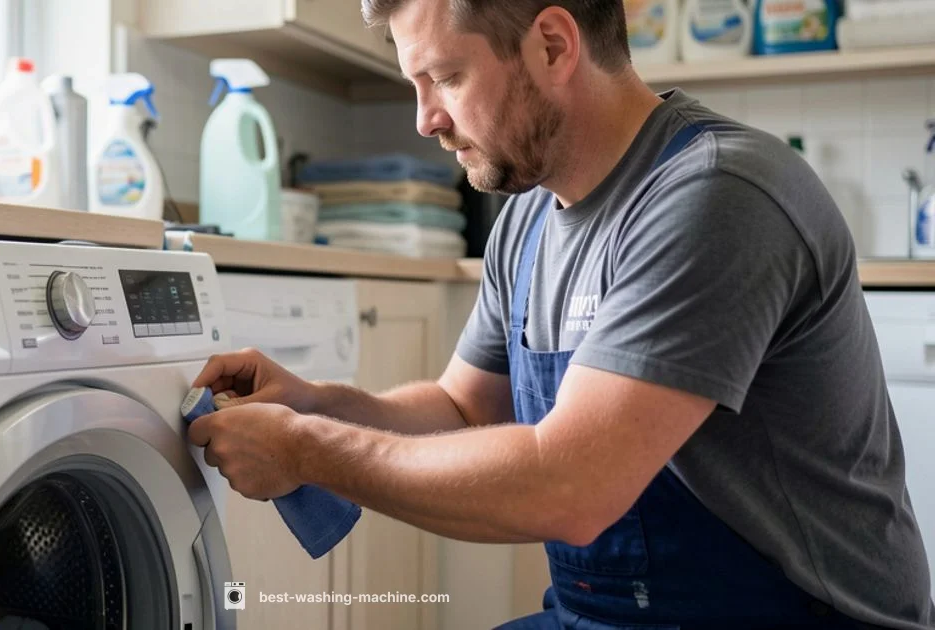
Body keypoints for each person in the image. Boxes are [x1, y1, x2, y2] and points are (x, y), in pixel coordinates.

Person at [185, 0, 934, 627]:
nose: (425, 120)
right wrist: (316, 403)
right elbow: (464, 408)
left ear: (551, 44)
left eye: (445, 76)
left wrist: (309, 450)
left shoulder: (716, 197)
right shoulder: (529, 219)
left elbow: (570, 487)